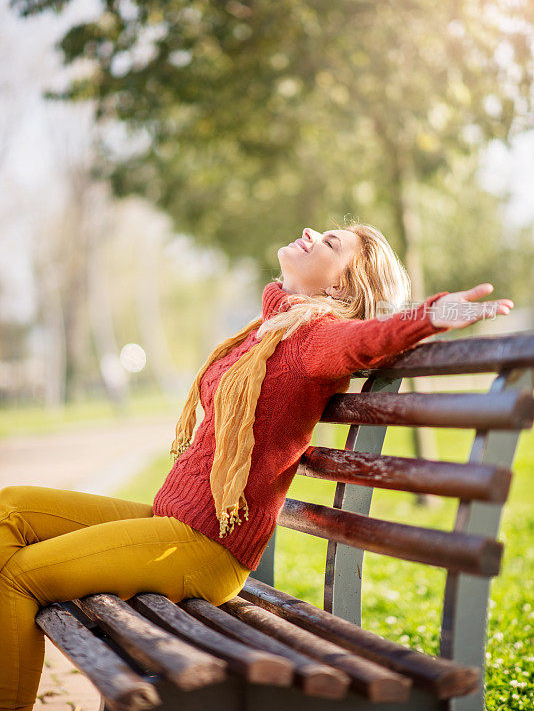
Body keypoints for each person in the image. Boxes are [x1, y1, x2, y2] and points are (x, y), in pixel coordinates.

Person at [0, 221, 513, 710]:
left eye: (331, 244)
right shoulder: (268, 331)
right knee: (9, 510)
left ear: (341, 290)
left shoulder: (316, 338)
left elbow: (364, 340)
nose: (311, 233)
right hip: (172, 522)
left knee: (18, 578)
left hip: (206, 546)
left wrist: (432, 314)